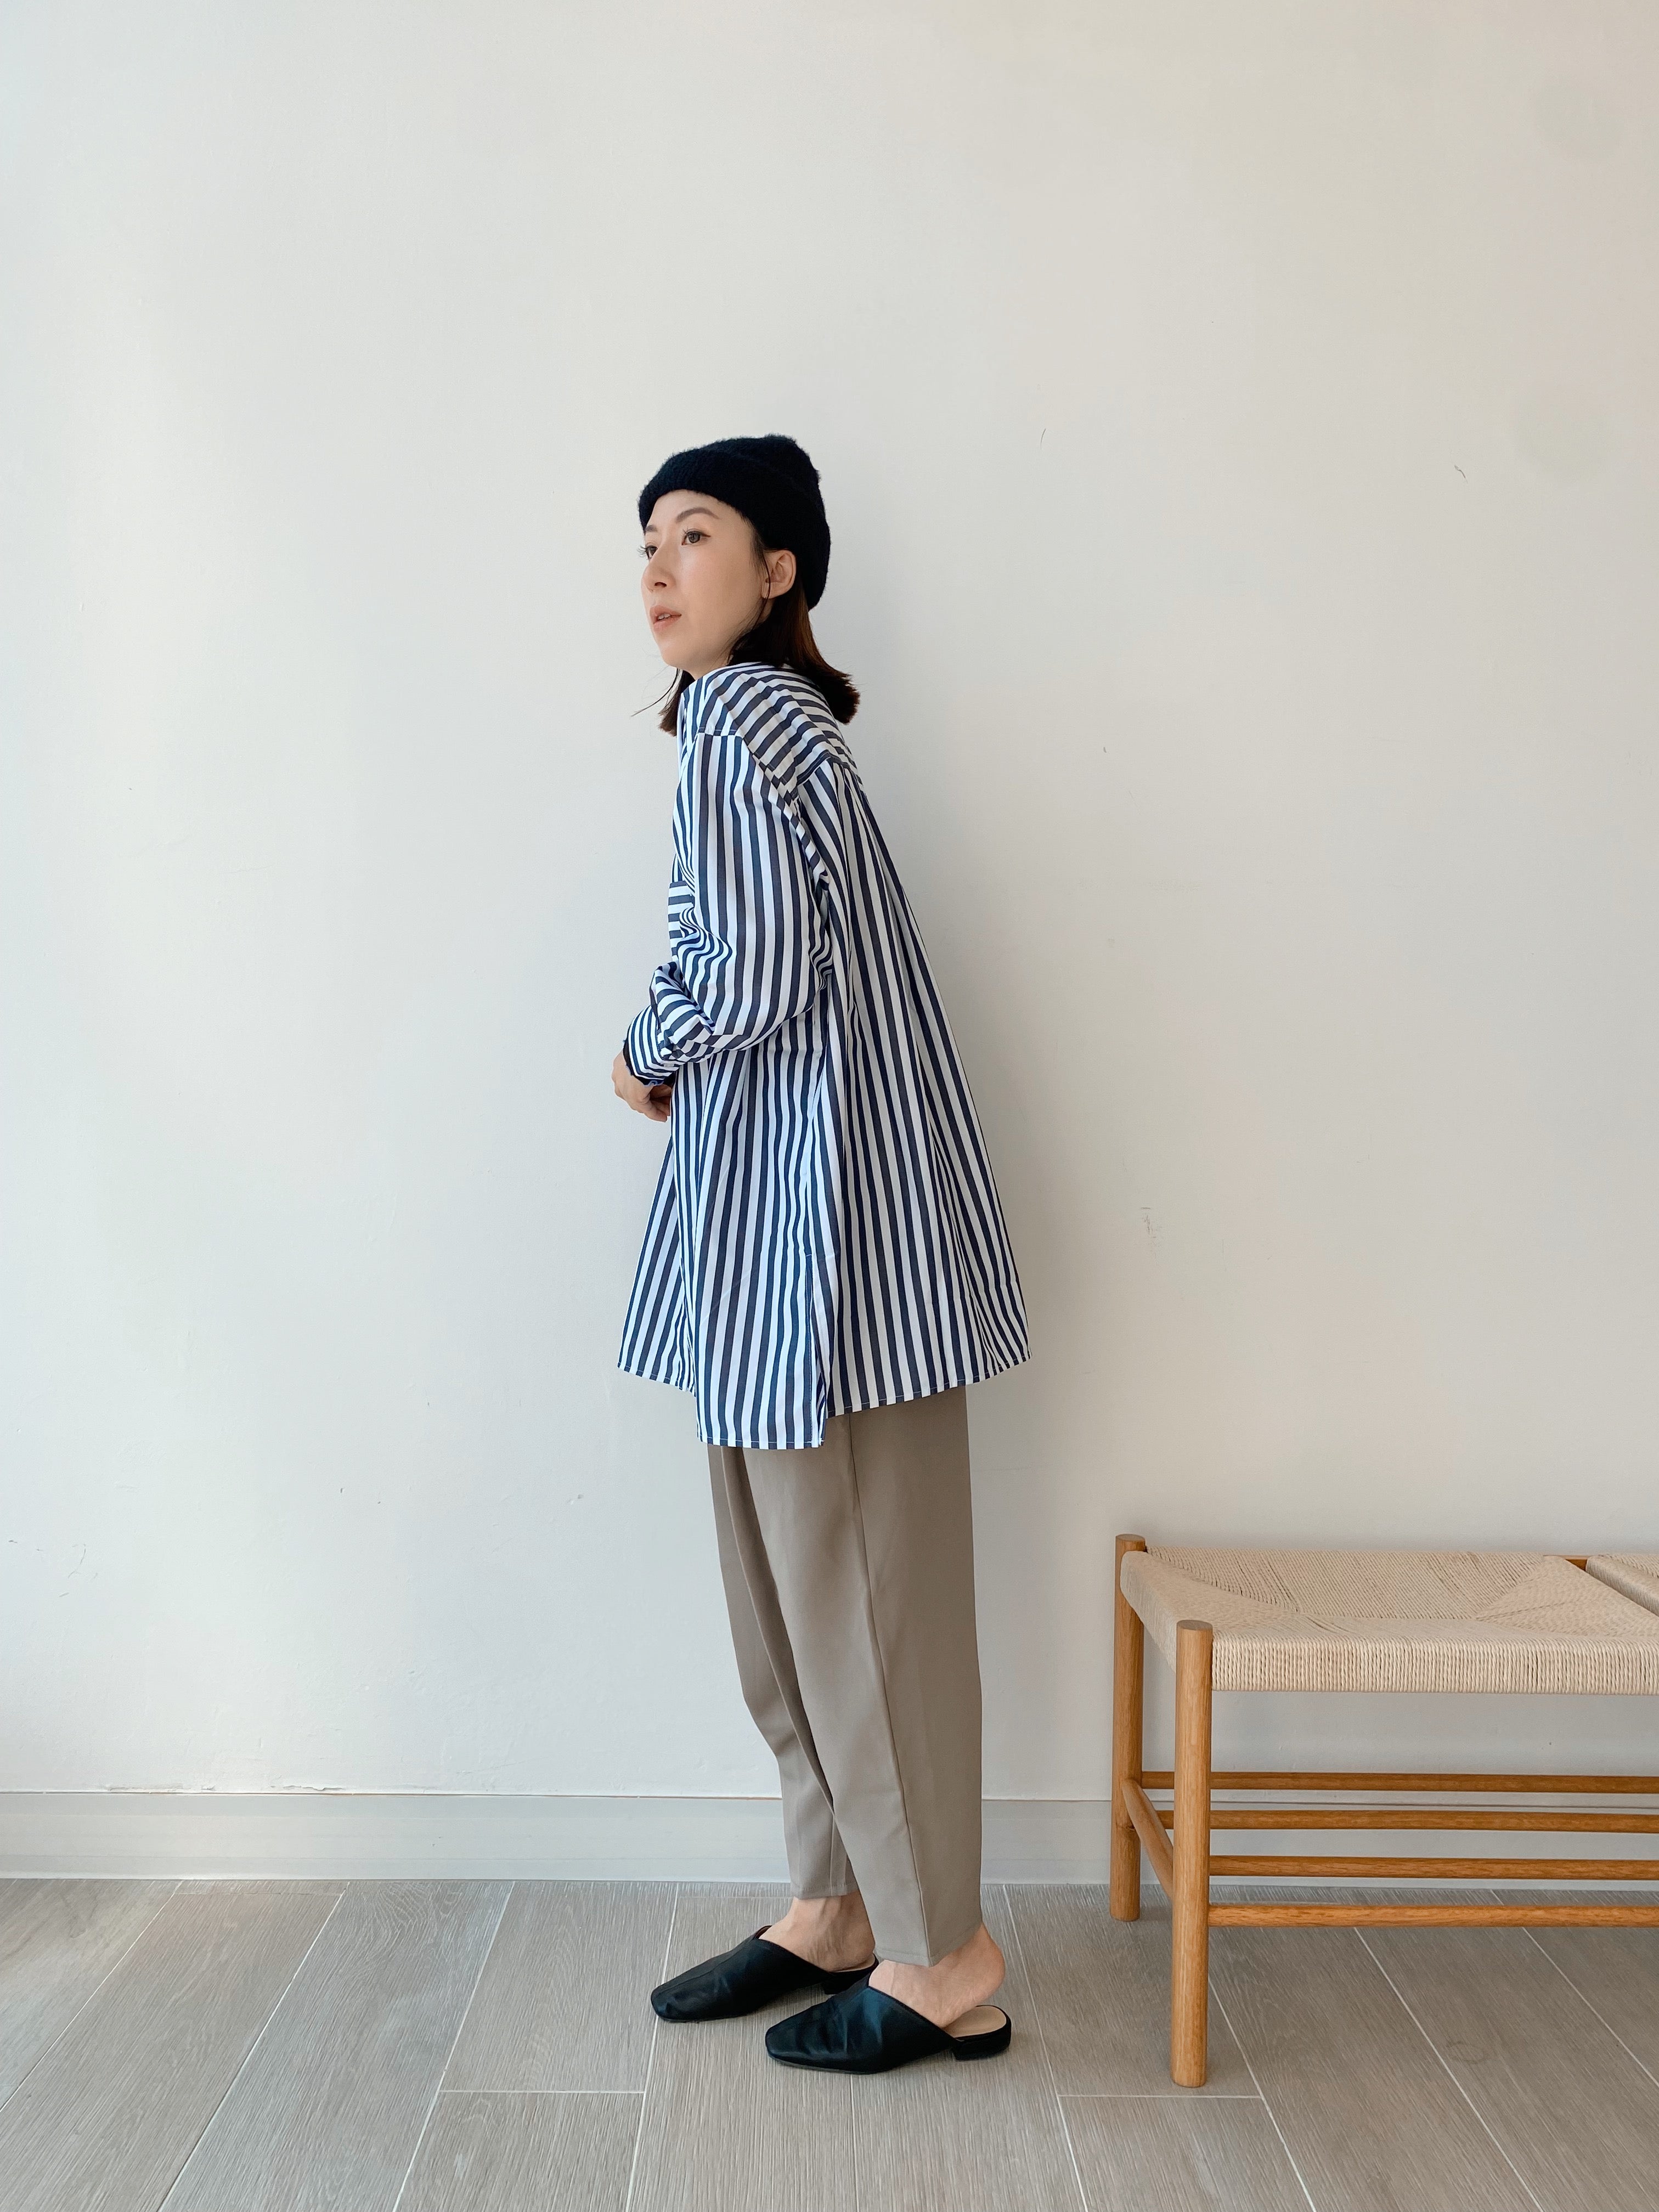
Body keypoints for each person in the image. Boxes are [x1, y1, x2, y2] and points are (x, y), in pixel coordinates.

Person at [612, 433, 1030, 2074]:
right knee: (797, 1587)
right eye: (646, 543)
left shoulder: (738, 722)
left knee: (847, 1590)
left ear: (779, 568)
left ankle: (942, 1952)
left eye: (694, 535)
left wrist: (647, 1043)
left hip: (822, 1241)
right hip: (798, 1227)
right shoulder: (771, 725)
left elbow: (756, 970)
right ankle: (840, 1906)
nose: (657, 569)